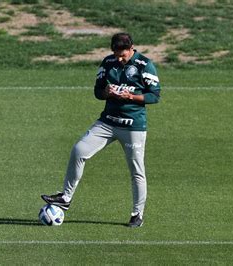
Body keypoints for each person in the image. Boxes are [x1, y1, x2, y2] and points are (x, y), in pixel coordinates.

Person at [41, 32, 161, 228]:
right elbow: (98, 90)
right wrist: (106, 92)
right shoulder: (108, 63)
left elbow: (154, 96)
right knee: (79, 150)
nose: (120, 58)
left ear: (132, 49)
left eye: (123, 55)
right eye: (116, 54)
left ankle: (137, 214)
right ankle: (66, 197)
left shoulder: (144, 65)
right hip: (107, 123)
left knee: (137, 171)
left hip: (133, 126)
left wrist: (129, 97)